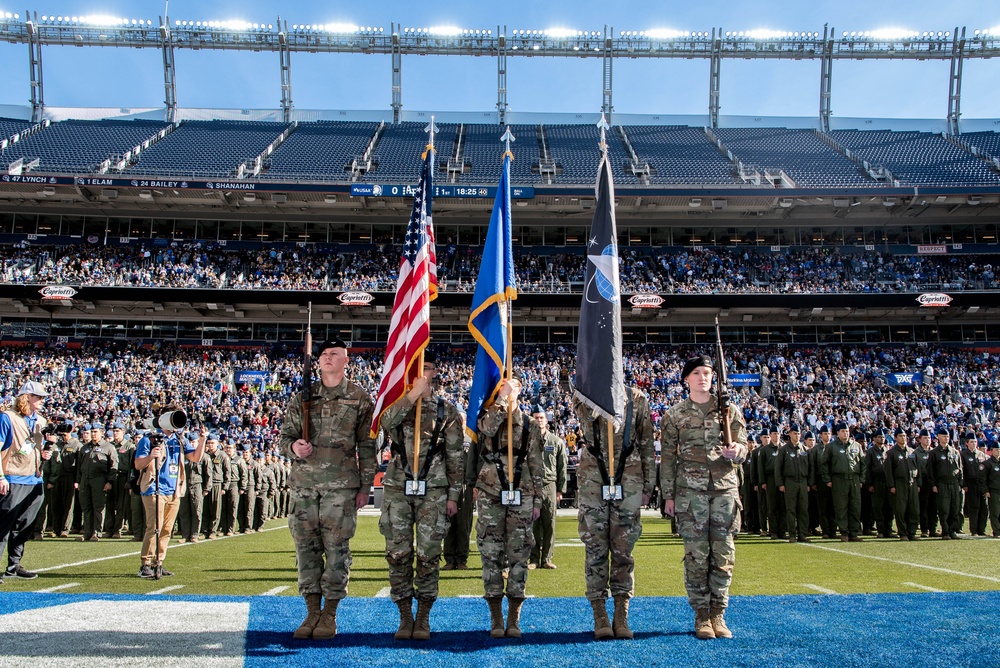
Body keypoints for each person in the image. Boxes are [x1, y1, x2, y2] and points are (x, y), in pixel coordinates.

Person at [279, 338, 377, 641]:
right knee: (305, 551)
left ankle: (329, 613)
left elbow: (367, 446)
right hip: (304, 487)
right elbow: (285, 438)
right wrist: (295, 446)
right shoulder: (302, 397)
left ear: (346, 360)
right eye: (323, 354)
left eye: (334, 354)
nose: (327, 358)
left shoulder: (359, 398)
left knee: (337, 552)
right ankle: (311, 612)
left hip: (341, 488)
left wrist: (365, 486)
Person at [377, 353, 463, 640]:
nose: (420, 373)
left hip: (434, 491)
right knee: (398, 554)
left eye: (425, 367)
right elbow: (386, 423)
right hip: (398, 489)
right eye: (415, 368)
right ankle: (404, 617)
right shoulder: (397, 404)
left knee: (428, 554)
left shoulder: (446, 410)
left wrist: (453, 496)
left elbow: (455, 457)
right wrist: (411, 395)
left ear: (434, 371)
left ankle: (423, 617)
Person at [661, 355, 747, 641]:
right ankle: (701, 615)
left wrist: (738, 452)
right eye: (696, 373)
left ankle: (718, 613)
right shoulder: (675, 414)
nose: (703, 377)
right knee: (696, 557)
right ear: (686, 379)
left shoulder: (729, 410)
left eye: (707, 372)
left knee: (723, 556)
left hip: (724, 489)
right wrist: (668, 496)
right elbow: (668, 458)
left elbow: (744, 444)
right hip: (691, 493)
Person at [574, 379, 654, 641]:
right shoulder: (584, 395)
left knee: (623, 548)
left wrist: (648, 485)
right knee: (595, 547)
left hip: (629, 476)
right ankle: (600, 615)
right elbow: (585, 422)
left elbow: (646, 441)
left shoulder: (638, 398)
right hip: (593, 477)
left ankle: (621, 615)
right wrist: (601, 399)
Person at [471, 376, 543, 639]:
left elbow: (536, 463)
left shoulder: (530, 424)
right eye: (503, 387)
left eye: (512, 387)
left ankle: (513, 616)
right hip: (491, 492)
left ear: (520, 391)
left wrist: (537, 499)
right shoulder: (489, 416)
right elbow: (486, 430)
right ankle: (495, 616)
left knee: (519, 554)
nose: (508, 391)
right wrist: (501, 399)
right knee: (490, 554)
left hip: (522, 493)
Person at [133, 414, 208, 578]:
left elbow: (195, 457)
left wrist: (202, 440)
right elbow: (138, 464)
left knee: (167, 529)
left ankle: (158, 562)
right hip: (154, 487)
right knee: (154, 527)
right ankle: (145, 564)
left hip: (174, 490)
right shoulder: (149, 440)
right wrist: (151, 456)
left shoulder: (180, 440)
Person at [0, 381, 54, 582]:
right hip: (12, 476)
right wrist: (0, 476)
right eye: (38, 397)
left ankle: (13, 566)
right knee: (3, 525)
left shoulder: (40, 420)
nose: (42, 400)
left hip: (34, 478)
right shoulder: (8, 418)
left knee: (24, 525)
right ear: (27, 397)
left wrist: (44, 454)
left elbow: (33, 449)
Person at [529, 404, 568, 570]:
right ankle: (533, 559)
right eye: (536, 418)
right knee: (532, 524)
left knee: (549, 523)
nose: (539, 420)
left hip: (549, 485)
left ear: (547, 420)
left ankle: (546, 558)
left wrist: (560, 489)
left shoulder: (556, 441)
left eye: (541, 418)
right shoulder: (527, 440)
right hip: (531, 486)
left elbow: (562, 467)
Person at [821, 422, 866, 542]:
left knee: (855, 506)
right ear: (838, 433)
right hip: (839, 479)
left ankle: (853, 532)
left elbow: (863, 464)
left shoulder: (856, 445)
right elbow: (824, 464)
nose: (845, 433)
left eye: (847, 431)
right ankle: (844, 532)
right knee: (841, 507)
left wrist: (862, 479)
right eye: (842, 431)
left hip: (854, 479)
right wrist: (827, 480)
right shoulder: (831, 447)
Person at [76, 422, 117, 542]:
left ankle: (97, 532)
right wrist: (78, 481)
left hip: (99, 479)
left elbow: (114, 465)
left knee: (98, 507)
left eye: (96, 432)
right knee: (86, 506)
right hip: (85, 480)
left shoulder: (108, 447)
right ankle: (87, 532)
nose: (93, 434)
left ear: (101, 433)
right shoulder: (85, 448)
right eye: (92, 432)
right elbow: (80, 466)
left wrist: (109, 481)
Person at [775, 424, 810, 543]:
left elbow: (809, 467)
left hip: (803, 481)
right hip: (790, 481)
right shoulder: (783, 450)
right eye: (795, 433)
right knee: (791, 509)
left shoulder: (804, 450)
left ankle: (802, 534)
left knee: (803, 509)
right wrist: (780, 483)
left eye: (799, 434)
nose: (797, 436)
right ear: (790, 434)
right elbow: (778, 468)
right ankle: (792, 534)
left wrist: (809, 483)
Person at [926, 427, 963, 539]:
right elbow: (930, 470)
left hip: (954, 483)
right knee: (944, 508)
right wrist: (933, 485)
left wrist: (960, 483)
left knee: (954, 508)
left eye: (947, 436)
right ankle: (945, 531)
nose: (946, 438)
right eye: (943, 436)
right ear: (938, 437)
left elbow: (960, 468)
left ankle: (952, 530)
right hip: (942, 483)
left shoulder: (954, 452)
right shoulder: (934, 453)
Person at [885, 427, 920, 541]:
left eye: (904, 436)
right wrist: (891, 485)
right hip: (899, 483)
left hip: (912, 482)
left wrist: (918, 484)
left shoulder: (912, 452)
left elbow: (917, 468)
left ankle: (912, 532)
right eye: (900, 436)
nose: (903, 438)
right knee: (900, 509)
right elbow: (888, 471)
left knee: (914, 509)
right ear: (895, 438)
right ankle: (903, 533)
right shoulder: (891, 453)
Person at [104, 421, 134, 539]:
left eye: (118, 431)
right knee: (110, 504)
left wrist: (130, 482)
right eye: (114, 431)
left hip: (123, 476)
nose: (115, 433)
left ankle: (118, 529)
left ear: (123, 432)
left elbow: (132, 466)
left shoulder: (129, 446)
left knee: (121, 505)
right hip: (111, 476)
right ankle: (109, 529)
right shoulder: (109, 445)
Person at [865, 428, 893, 538]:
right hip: (877, 481)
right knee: (878, 506)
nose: (882, 439)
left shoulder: (888, 450)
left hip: (887, 481)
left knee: (889, 506)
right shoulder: (871, 452)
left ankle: (889, 529)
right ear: (874, 439)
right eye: (879, 437)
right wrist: (870, 484)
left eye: (883, 437)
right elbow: (867, 469)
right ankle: (880, 530)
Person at [202, 433, 231, 539]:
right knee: (205, 509)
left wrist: (224, 487)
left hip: (216, 484)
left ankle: (213, 530)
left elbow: (227, 472)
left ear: (217, 443)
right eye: (208, 443)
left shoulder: (222, 455)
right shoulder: (204, 455)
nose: (210, 445)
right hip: (205, 484)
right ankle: (205, 530)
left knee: (215, 509)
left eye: (212, 443)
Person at [960, 433, 988, 536]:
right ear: (967, 443)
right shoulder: (963, 455)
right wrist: (964, 484)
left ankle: (982, 530)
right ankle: (974, 530)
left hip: (981, 484)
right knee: (974, 507)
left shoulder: (982, 455)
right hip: (971, 484)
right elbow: (961, 471)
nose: (974, 444)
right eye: (971, 442)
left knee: (984, 508)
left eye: (975, 442)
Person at [913, 429, 938, 537]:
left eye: (929, 438)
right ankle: (924, 529)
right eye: (925, 438)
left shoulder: (934, 452)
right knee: (923, 506)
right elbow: (915, 469)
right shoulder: (916, 453)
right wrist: (918, 484)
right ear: (919, 440)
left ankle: (933, 529)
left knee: (933, 506)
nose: (927, 440)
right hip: (922, 481)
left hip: (933, 482)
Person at [221, 441, 245, 536]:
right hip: (223, 485)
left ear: (234, 449)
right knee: (223, 508)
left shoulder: (238, 459)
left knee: (232, 508)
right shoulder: (223, 458)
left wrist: (242, 487)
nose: (228, 450)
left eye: (230, 448)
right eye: (226, 448)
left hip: (234, 484)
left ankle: (231, 529)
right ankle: (224, 528)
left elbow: (243, 474)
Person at [984, 442, 1000, 538]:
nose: (998, 451)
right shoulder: (988, 463)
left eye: (999, 449)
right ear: (991, 451)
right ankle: (996, 531)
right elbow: (983, 479)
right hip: (994, 491)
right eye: (996, 449)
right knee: (995, 512)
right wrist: (986, 490)